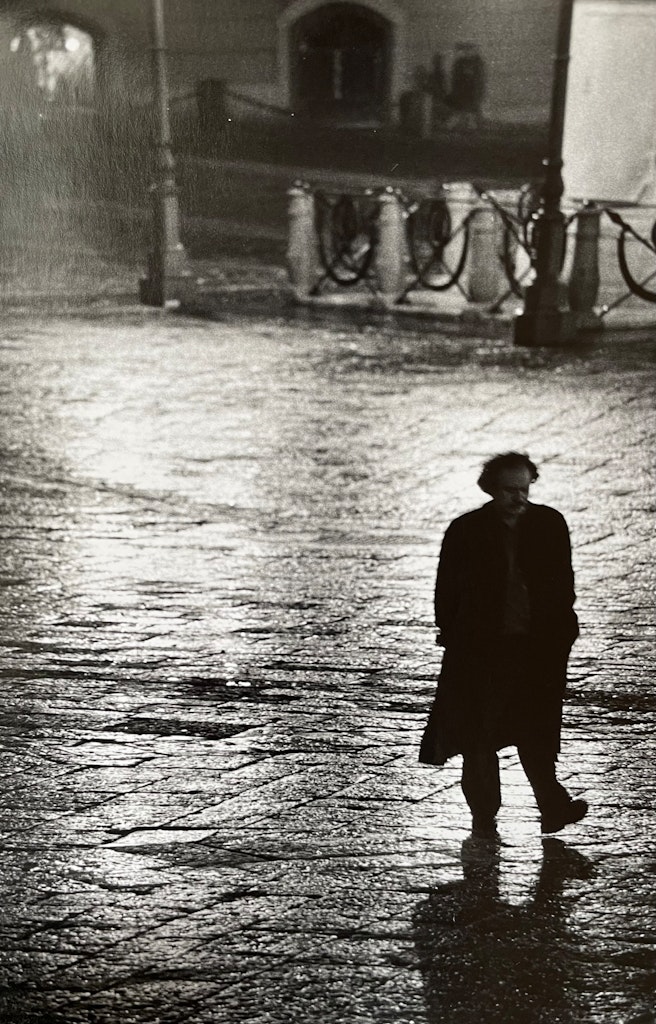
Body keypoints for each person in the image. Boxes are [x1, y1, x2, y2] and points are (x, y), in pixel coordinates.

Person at [419, 452, 588, 835]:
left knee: (536, 729)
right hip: (481, 648)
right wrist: (450, 630)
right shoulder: (467, 529)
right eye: (510, 490)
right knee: (479, 732)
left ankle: (552, 805)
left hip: (537, 646)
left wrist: (562, 630)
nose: (519, 498)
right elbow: (446, 587)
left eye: (525, 489)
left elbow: (563, 583)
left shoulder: (548, 524)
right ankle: (484, 813)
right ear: (493, 489)